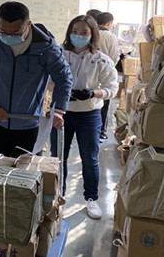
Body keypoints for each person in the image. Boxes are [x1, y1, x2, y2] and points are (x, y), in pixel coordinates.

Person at [0, 1, 72, 157]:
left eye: (16, 33)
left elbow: (63, 77)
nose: (9, 37)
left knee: (24, 169)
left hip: (28, 123)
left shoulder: (46, 47)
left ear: (28, 25)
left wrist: (58, 110)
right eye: (3, 32)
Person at [54, 14, 117, 220]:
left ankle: (92, 198)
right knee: (58, 158)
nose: (78, 36)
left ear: (93, 34)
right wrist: (56, 96)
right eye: (75, 31)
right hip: (61, 113)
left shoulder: (101, 59)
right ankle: (58, 196)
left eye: (84, 32)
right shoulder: (58, 54)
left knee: (89, 158)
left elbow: (111, 89)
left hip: (89, 115)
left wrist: (93, 93)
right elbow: (46, 80)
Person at [95, 11, 119, 142]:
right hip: (105, 74)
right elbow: (114, 57)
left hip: (90, 73)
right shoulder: (111, 37)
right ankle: (101, 133)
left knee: (91, 101)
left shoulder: (92, 33)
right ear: (109, 23)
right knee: (104, 103)